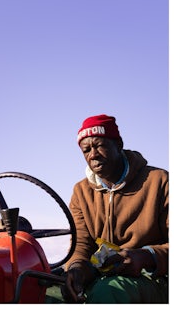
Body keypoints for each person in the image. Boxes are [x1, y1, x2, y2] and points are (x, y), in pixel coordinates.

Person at [62, 114, 168, 303]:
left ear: (118, 145)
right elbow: (81, 244)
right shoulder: (81, 192)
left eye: (99, 145)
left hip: (155, 278)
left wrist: (147, 256)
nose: (93, 154)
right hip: (103, 276)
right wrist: (77, 268)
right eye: (86, 150)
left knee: (107, 292)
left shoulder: (159, 181)